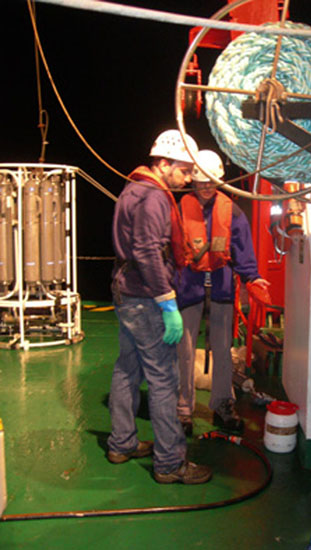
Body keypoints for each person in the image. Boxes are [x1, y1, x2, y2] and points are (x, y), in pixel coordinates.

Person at [107, 130, 212, 485]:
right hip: (146, 299)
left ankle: (121, 443)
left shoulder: (132, 189)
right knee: (163, 379)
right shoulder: (153, 197)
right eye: (183, 171)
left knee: (127, 369)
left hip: (126, 293)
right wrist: (167, 302)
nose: (187, 179)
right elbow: (148, 252)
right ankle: (170, 463)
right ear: (163, 163)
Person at [176, 150, 270, 436]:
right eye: (200, 181)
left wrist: (253, 278)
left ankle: (222, 405)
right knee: (184, 351)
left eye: (210, 181)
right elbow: (170, 248)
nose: (205, 187)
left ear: (219, 180)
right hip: (188, 287)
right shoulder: (180, 208)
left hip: (222, 288)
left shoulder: (233, 211)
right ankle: (182, 410)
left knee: (223, 351)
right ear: (192, 180)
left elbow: (243, 249)